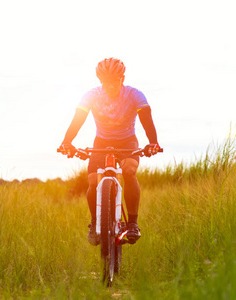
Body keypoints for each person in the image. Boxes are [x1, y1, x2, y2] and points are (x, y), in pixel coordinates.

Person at [58, 58, 160, 245]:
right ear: (100, 81)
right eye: (105, 82)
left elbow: (146, 120)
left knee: (129, 171)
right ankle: (96, 223)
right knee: (92, 180)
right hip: (101, 142)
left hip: (127, 141)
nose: (109, 85)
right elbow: (78, 119)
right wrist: (67, 142)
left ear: (122, 78)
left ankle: (132, 224)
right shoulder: (91, 96)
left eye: (114, 80)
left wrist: (153, 142)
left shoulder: (134, 95)